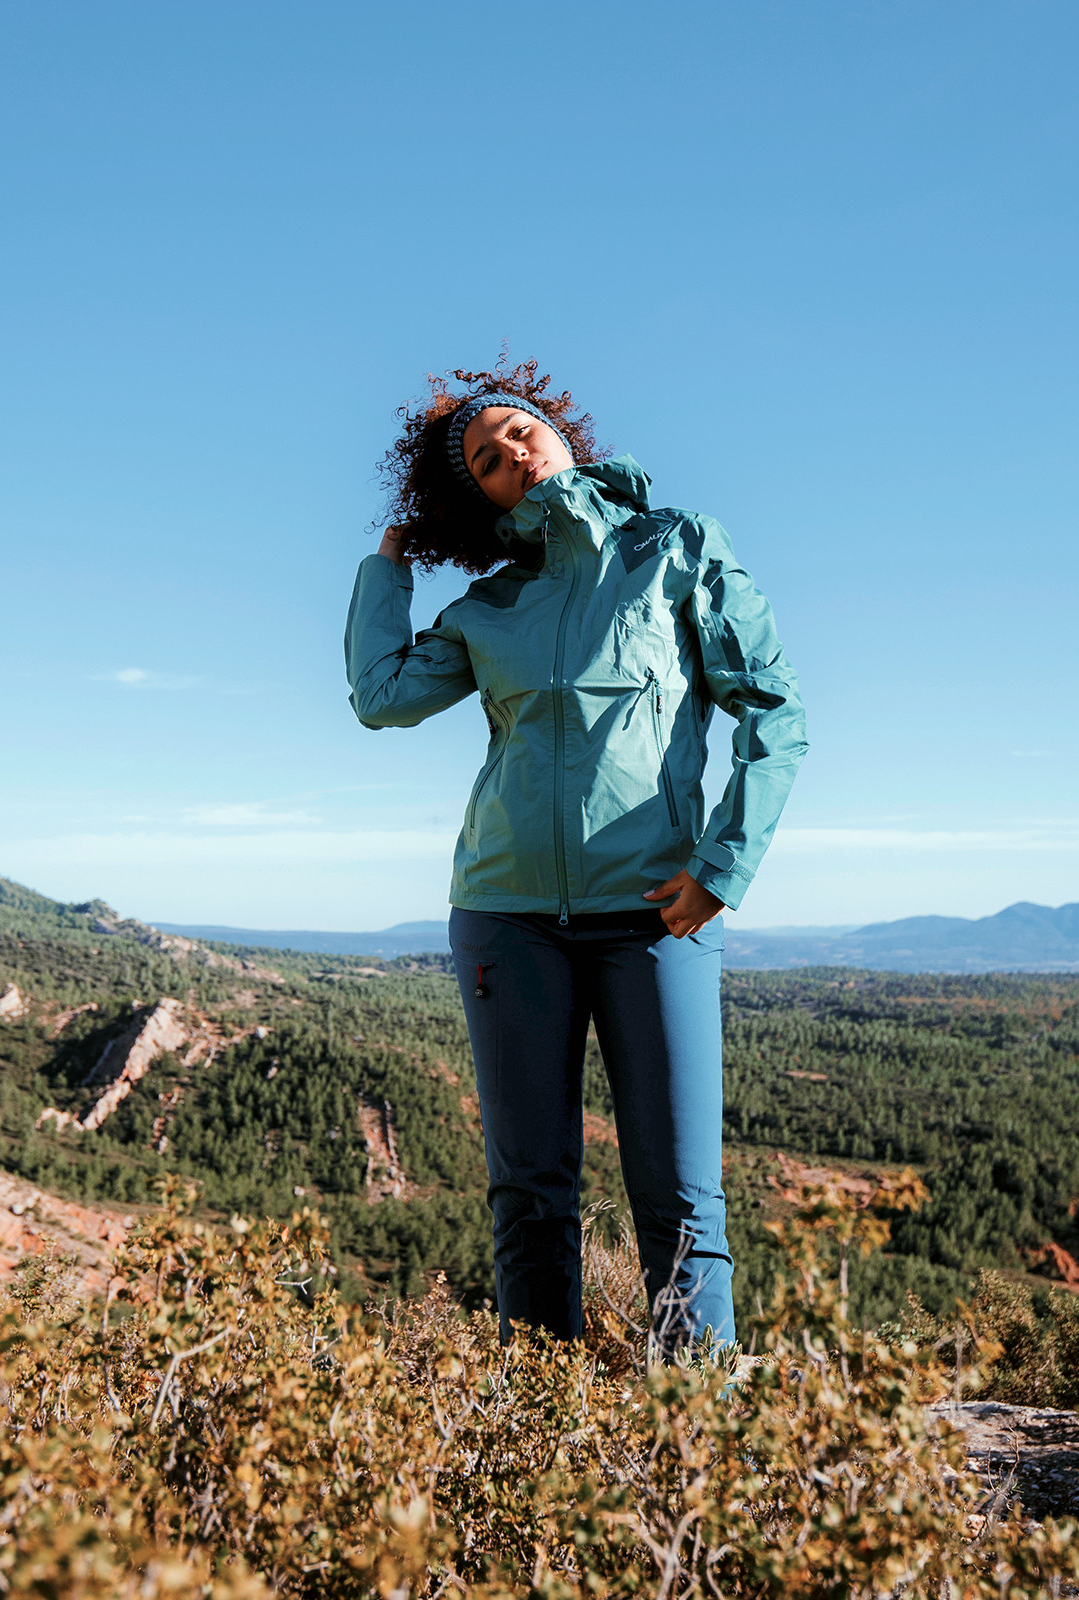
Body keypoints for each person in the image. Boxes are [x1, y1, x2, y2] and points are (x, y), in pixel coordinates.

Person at [345, 360, 806, 1352]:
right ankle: (539, 1441)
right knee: (528, 1196)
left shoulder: (675, 547)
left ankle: (700, 1458)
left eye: (516, 431)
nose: (509, 453)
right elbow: (380, 695)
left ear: (559, 432)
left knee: (681, 1204)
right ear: (477, 498)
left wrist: (721, 864)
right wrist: (389, 560)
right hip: (505, 916)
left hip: (655, 913)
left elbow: (772, 709)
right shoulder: (489, 607)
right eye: (483, 461)